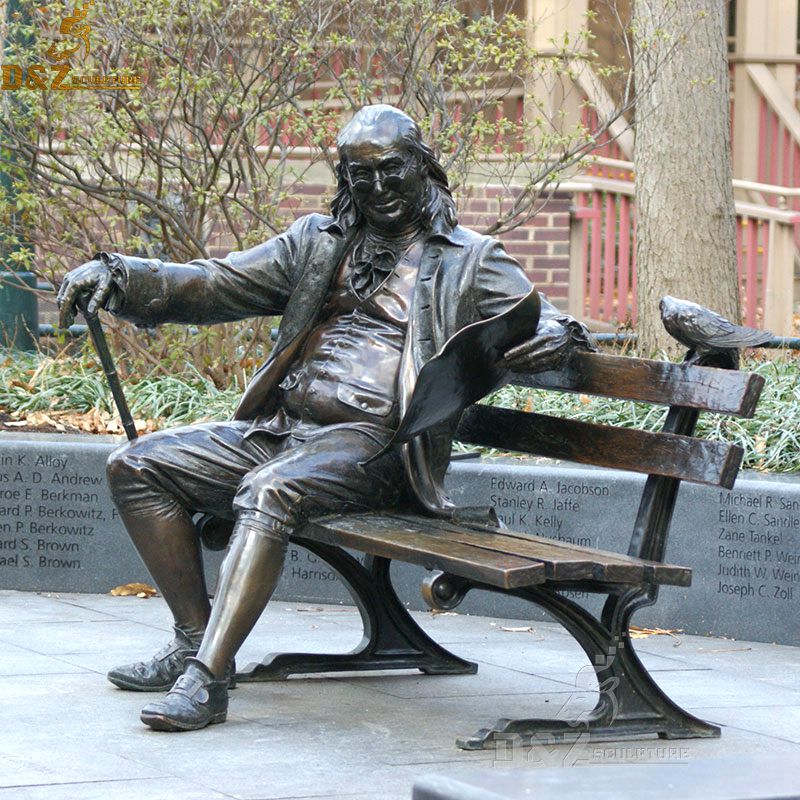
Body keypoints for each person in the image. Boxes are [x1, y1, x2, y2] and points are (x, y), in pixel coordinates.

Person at [57, 104, 593, 732]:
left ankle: (208, 680)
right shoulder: (319, 242)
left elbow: (543, 316)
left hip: (379, 448)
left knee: (270, 490)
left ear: (423, 166)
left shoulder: (468, 258)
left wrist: (562, 334)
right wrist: (121, 275)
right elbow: (213, 283)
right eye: (359, 176)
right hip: (286, 433)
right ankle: (192, 641)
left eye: (391, 170)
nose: (378, 188)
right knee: (138, 464)